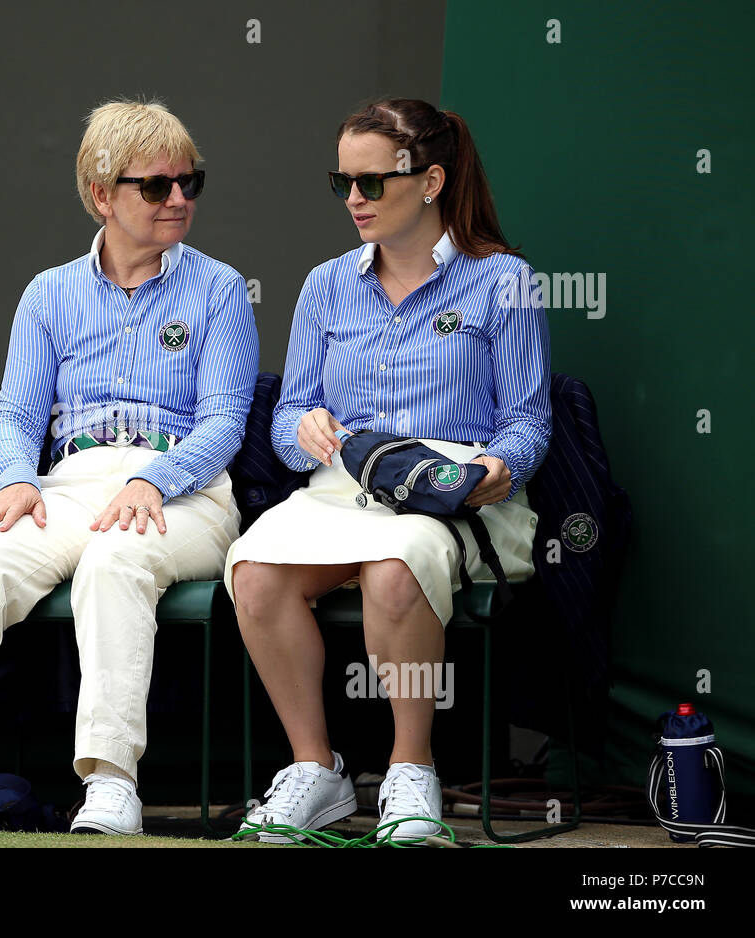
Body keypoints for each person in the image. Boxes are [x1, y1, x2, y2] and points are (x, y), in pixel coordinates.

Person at [0, 99, 258, 836]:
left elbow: (225, 423)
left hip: (184, 488)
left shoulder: (219, 288)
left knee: (115, 562)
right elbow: (17, 418)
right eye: (155, 187)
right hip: (67, 485)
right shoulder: (49, 293)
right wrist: (17, 479)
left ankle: (111, 785)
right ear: (102, 195)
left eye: (191, 183)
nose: (179, 199)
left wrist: (152, 479)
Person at [226, 98, 551, 843]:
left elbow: (530, 420)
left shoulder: (505, 280)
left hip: (453, 491)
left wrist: (502, 466)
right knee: (254, 571)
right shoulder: (325, 284)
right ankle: (316, 769)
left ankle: (412, 768)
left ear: (431, 180)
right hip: (342, 487)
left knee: (394, 567)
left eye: (372, 183)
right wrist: (301, 430)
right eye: (342, 182)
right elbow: (288, 417)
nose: (353, 201)